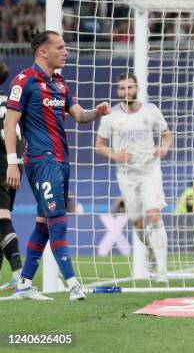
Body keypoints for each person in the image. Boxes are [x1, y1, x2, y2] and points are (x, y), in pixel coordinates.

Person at [5, 29, 110, 301]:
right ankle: (73, 283)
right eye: (61, 47)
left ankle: (25, 282)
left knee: (43, 222)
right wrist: (12, 162)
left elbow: (79, 115)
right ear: (43, 52)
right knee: (58, 221)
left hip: (62, 161)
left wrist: (96, 113)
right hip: (41, 160)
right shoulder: (24, 81)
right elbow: (10, 123)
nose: (66, 52)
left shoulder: (60, 83)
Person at [95, 73, 172, 284]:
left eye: (129, 88)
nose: (125, 92)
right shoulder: (110, 116)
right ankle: (149, 252)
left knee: (154, 215)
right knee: (137, 222)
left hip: (150, 171)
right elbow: (99, 145)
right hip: (127, 176)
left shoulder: (151, 111)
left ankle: (163, 271)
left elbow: (167, 134)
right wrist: (115, 154)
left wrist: (164, 148)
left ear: (136, 89)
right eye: (121, 88)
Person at [0, 60, 25, 291]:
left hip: (3, 164)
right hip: (15, 164)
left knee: (2, 218)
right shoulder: (10, 102)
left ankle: (19, 274)